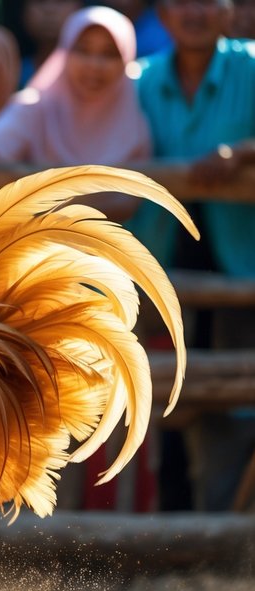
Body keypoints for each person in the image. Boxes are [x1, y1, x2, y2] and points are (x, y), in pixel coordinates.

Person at [131, 0, 255, 510]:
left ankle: (222, 532)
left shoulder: (250, 68)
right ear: (162, 14)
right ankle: (171, 531)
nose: (195, 11)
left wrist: (242, 152)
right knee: (162, 407)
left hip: (239, 271)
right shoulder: (139, 80)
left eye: (208, 0)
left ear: (230, 11)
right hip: (160, 271)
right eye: (181, 1)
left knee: (234, 408)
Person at [0, 7, 151, 222]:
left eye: (109, 54)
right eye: (83, 50)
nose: (94, 65)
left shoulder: (136, 123)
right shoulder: (34, 107)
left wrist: (36, 199)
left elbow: (125, 204)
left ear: (126, 58)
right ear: (64, 53)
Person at [19, 0, 85, 85]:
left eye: (60, 1)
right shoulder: (13, 73)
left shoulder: (92, 75)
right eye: (40, 1)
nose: (49, 9)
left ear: (79, 6)